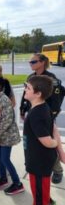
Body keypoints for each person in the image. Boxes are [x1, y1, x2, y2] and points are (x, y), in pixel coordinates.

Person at [21, 75, 59, 205]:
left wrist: (55, 143)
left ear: (38, 94)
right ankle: (47, 202)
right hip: (39, 157)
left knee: (38, 187)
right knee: (41, 185)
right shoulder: (42, 106)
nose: (25, 89)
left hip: (39, 160)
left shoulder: (37, 113)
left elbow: (47, 141)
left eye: (28, 88)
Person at [20, 53, 63, 184]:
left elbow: (56, 101)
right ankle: (39, 163)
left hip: (45, 117)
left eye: (33, 62)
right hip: (33, 113)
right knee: (36, 144)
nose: (30, 64)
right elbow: (25, 94)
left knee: (48, 143)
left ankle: (57, 170)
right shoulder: (31, 77)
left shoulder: (51, 79)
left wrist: (51, 117)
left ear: (42, 62)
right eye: (30, 62)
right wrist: (23, 109)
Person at [0, 76, 24, 195]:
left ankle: (18, 183)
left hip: (6, 136)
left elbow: (7, 121)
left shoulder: (4, 99)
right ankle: (3, 179)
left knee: (5, 159)